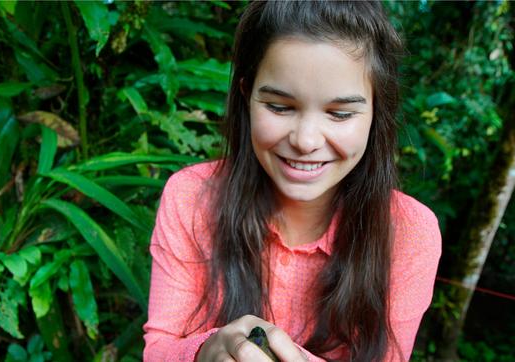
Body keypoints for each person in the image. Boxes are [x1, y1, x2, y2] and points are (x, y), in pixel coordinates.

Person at [143, 1, 441, 361]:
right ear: (245, 95)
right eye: (280, 107)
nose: (306, 140)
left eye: (340, 113)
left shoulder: (410, 232)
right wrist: (203, 352)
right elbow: (159, 350)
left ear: (378, 112)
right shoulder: (191, 197)